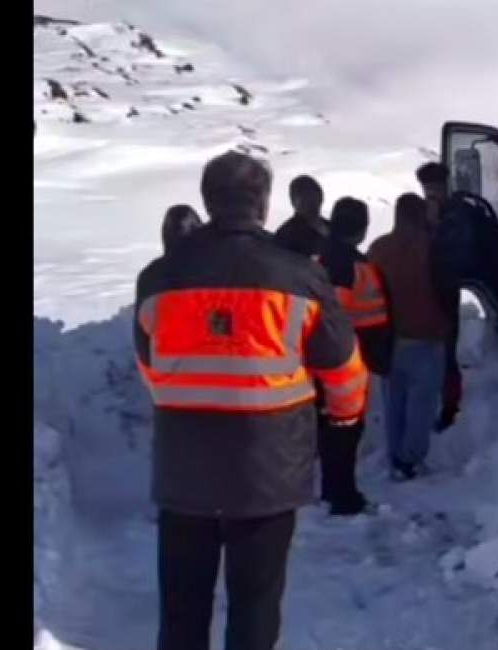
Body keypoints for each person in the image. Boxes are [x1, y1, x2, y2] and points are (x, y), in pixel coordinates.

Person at [134, 151, 368, 650]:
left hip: (183, 468)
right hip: (268, 473)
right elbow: (344, 367)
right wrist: (344, 416)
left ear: (208, 201)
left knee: (181, 611)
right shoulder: (299, 276)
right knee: (255, 608)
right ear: (263, 203)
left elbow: (151, 367)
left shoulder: (158, 277)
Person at [314, 196, 392, 514]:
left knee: (330, 428)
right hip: (345, 361)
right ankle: (342, 495)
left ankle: (333, 489)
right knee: (345, 430)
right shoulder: (352, 267)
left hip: (321, 358)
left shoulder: (318, 261)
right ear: (361, 229)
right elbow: (341, 316)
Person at [367, 194, 451, 480]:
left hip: (390, 338)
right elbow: (446, 287)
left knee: (394, 402)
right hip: (427, 336)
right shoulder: (432, 248)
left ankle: (395, 455)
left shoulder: (378, 248)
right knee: (421, 403)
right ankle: (410, 459)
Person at [415, 162, 468, 432]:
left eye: (435, 187)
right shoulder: (419, 214)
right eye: (427, 188)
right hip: (423, 291)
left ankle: (449, 408)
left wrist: (437, 226)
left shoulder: (459, 213)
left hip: (446, 290)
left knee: (446, 352)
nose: (431, 193)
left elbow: (458, 251)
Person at [273, 174, 329, 260]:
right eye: (305, 194)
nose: (311, 199)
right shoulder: (286, 234)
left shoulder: (334, 227)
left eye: (314, 193)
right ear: (293, 201)